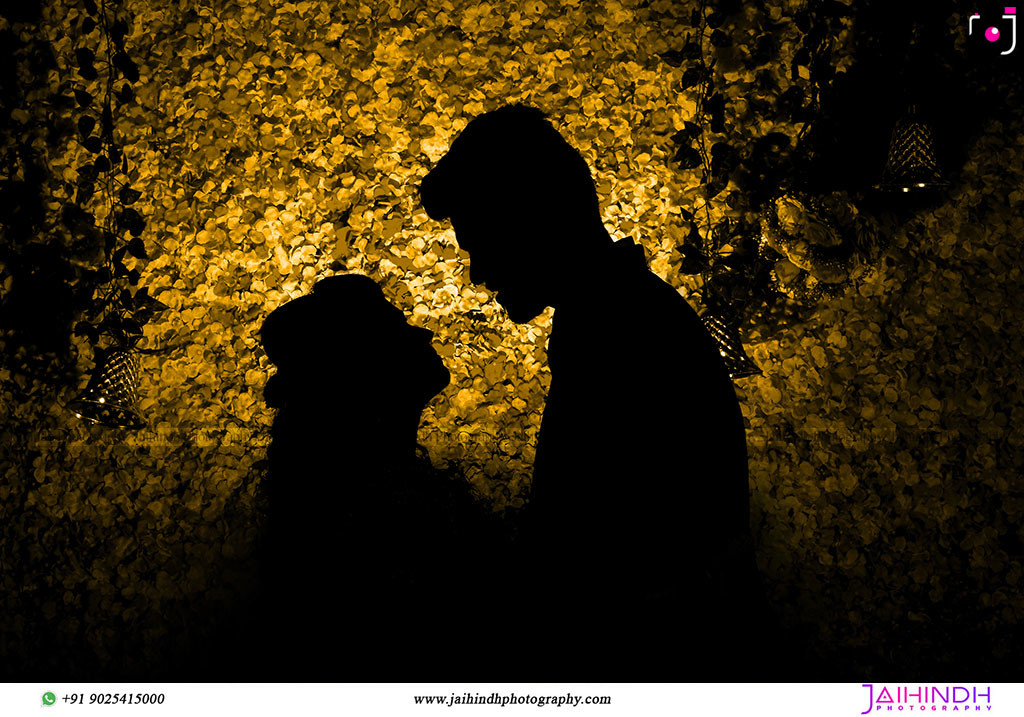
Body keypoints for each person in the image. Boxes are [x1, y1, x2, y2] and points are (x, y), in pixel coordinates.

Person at [420, 104, 770, 679]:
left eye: (480, 243)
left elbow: (598, 559)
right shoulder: (621, 314)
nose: (478, 273)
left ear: (530, 221)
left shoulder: (616, 332)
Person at [250, 274, 504, 679]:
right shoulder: (364, 523)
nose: (423, 331)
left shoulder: (380, 494)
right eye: (396, 326)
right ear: (358, 365)